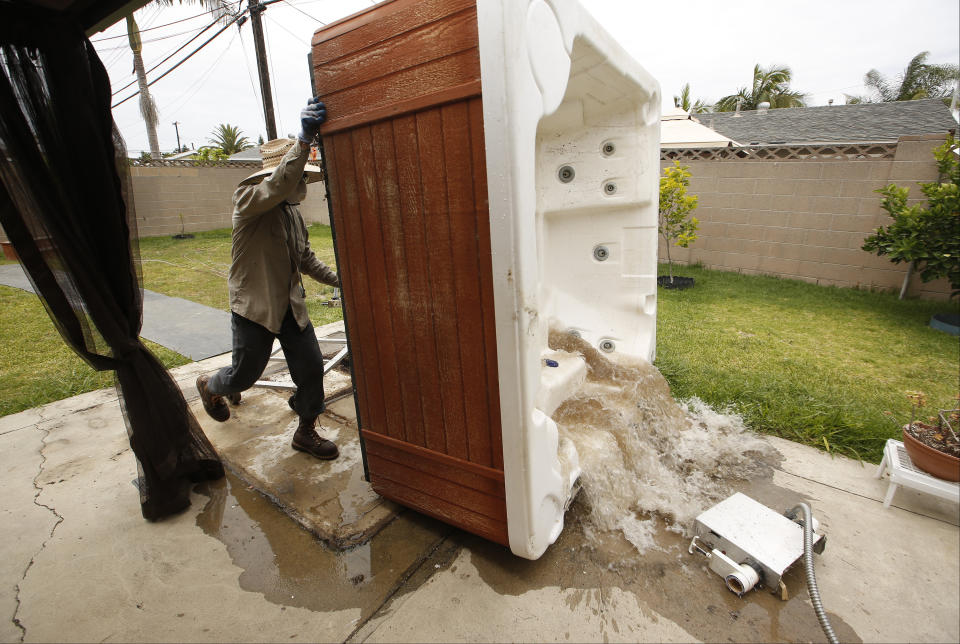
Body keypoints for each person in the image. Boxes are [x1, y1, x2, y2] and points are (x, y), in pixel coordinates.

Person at [196, 97, 340, 460]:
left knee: (311, 370)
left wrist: (342, 281)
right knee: (243, 376)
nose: (299, 183)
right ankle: (210, 384)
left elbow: (305, 258)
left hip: (290, 306)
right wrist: (303, 141)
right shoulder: (247, 198)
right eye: (295, 173)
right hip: (255, 308)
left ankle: (305, 430)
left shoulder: (292, 214)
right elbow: (277, 186)